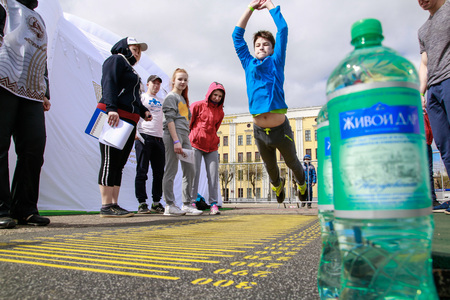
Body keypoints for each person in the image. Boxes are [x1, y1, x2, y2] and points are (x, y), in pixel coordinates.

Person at [232, 0, 307, 204]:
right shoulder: (248, 63)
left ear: (273, 48)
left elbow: (283, 28)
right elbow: (236, 36)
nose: (261, 47)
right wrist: (249, 9)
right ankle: (277, 185)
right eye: (258, 44)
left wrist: (269, 5)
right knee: (271, 168)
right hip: (259, 131)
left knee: (292, 162)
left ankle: (302, 183)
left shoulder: (276, 62)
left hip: (280, 129)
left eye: (266, 44)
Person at [0, 0, 51, 228]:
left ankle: (25, 208)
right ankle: (2, 208)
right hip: (3, 80)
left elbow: (42, 57)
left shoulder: (37, 18)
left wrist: (45, 90)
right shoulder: (5, 5)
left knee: (33, 147)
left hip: (31, 90)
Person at [97, 37, 151, 218]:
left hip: (129, 120)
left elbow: (132, 96)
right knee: (109, 160)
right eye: (134, 49)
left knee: (119, 164)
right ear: (124, 47)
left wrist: (143, 111)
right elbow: (108, 83)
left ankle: (113, 204)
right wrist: (111, 108)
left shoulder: (131, 70)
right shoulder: (116, 59)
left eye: (139, 52)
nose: (136, 53)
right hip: (114, 116)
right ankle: (106, 205)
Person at [418, 0, 450, 214]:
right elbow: (424, 63)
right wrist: (421, 92)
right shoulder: (423, 30)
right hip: (433, 89)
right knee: (444, 145)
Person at [162, 68, 203, 216]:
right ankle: (169, 205)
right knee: (171, 170)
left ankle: (186, 204)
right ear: (173, 80)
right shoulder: (171, 97)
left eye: (185, 80)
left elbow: (186, 121)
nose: (183, 82)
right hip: (174, 136)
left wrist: (185, 138)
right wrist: (176, 141)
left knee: (190, 170)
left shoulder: (184, 100)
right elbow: (169, 120)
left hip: (185, 136)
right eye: (180, 79)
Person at [189, 82, 226, 215]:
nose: (217, 98)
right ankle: (192, 202)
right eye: (215, 95)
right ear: (209, 93)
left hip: (211, 147)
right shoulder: (197, 106)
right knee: (194, 174)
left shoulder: (220, 112)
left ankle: (213, 204)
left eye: (220, 96)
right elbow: (189, 123)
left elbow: (215, 129)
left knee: (213, 176)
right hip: (196, 144)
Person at [134, 75, 165, 214]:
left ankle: (156, 202)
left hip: (159, 138)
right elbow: (134, 112)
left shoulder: (162, 101)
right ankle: (142, 203)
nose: (156, 86)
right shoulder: (142, 98)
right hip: (144, 136)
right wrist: (135, 132)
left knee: (159, 173)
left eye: (158, 84)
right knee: (142, 171)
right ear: (147, 84)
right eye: (154, 83)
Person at [424, 110, 440, 208]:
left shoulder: (427, 113)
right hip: (418, 143)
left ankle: (432, 199)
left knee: (429, 172)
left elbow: (430, 129)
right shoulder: (413, 111)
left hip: (427, 144)